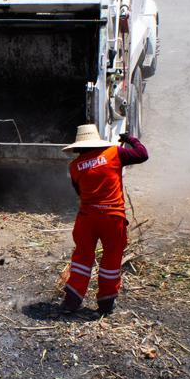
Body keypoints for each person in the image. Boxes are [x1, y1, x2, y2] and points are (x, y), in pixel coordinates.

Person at [61, 124, 149, 314]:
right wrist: (130, 139)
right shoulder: (114, 153)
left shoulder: (74, 167)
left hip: (87, 219)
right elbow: (142, 154)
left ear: (78, 146)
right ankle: (106, 302)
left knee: (82, 258)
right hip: (112, 217)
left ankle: (72, 300)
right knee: (111, 258)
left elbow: (80, 192)